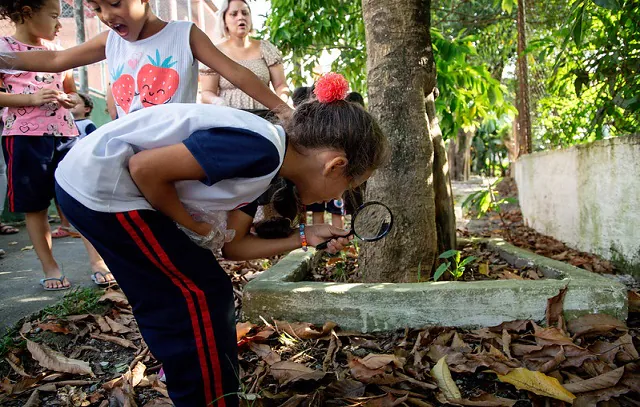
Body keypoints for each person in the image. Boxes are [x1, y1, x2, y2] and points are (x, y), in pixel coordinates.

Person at [54, 73, 388, 407]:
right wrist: (192, 226)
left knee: (192, 289)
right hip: (102, 189)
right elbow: (144, 169)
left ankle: (192, 374)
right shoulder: (261, 150)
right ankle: (208, 395)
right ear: (335, 166)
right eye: (350, 186)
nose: (343, 194)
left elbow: (233, 247)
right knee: (195, 293)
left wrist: (306, 236)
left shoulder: (270, 165)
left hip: (98, 189)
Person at [0, 0, 290, 120]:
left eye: (114, 3)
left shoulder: (183, 34)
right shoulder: (109, 40)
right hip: (129, 140)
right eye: (97, 8)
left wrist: (284, 110)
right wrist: (3, 58)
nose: (107, 16)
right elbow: (57, 59)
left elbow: (236, 73)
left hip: (174, 139)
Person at [0, 0, 111, 289]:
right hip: (23, 138)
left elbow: (71, 92)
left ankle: (97, 260)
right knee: (34, 206)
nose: (59, 24)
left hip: (66, 134)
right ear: (26, 13)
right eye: (53, 16)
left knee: (79, 196)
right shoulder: (3, 48)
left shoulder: (58, 53)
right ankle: (50, 266)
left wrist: (71, 100)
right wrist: (30, 99)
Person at [200, 0, 290, 119]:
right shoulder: (215, 52)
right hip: (229, 119)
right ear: (224, 20)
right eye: (234, 14)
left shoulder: (266, 49)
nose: (241, 17)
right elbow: (206, 92)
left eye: (245, 13)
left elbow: (280, 85)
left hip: (265, 118)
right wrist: (217, 101)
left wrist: (281, 106)